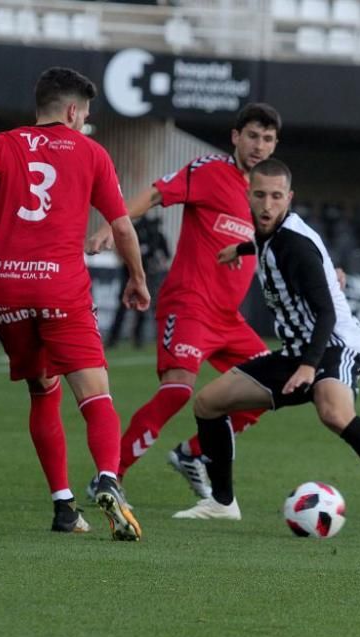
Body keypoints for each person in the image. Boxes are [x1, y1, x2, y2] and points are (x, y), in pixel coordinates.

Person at [0, 67, 149, 541]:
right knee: (95, 394)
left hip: (3, 287)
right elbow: (122, 228)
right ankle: (107, 476)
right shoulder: (91, 152)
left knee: (43, 389)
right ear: (75, 111)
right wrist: (138, 279)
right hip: (59, 286)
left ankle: (63, 507)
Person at [173, 158, 360, 533]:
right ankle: (222, 503)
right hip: (298, 348)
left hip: (334, 343)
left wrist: (308, 367)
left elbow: (326, 314)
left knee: (333, 412)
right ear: (247, 195)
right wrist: (241, 250)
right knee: (208, 404)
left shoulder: (294, 244)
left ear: (289, 197)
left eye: (276, 196)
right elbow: (263, 240)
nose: (267, 204)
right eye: (259, 195)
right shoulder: (266, 231)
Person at [86, 103, 281, 502]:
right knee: (177, 390)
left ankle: (192, 453)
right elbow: (156, 195)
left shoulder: (264, 195)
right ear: (235, 136)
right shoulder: (209, 170)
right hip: (189, 304)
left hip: (229, 319)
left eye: (268, 139)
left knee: (271, 388)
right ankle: (109, 477)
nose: (259, 146)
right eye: (252, 136)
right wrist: (113, 225)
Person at [106, 212, 170, 348]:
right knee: (133, 307)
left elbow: (166, 255)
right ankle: (124, 339)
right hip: (138, 274)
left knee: (138, 308)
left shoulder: (154, 235)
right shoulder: (144, 233)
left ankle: (133, 339)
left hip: (142, 274)